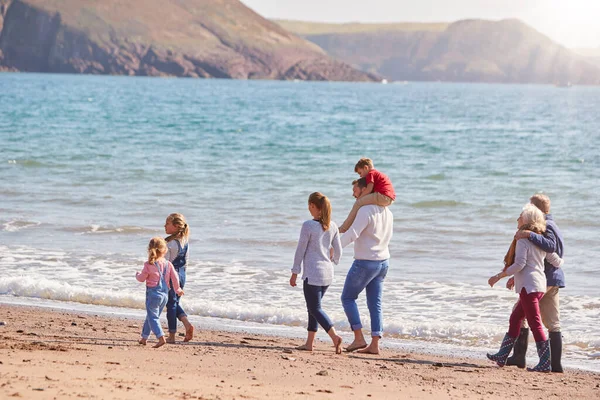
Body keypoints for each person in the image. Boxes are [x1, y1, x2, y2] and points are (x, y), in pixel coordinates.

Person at [486, 204, 563, 372]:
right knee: (515, 319)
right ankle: (502, 356)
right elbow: (555, 259)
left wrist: (499, 275)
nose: (517, 218)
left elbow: (520, 264)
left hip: (529, 287)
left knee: (535, 324)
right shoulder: (538, 238)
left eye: (520, 216)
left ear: (526, 220)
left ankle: (544, 363)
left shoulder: (523, 239)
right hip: (539, 285)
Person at [506, 194, 566, 372]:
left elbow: (550, 247)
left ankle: (519, 357)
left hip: (541, 279)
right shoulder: (551, 224)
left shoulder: (544, 226)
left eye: (529, 207)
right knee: (552, 322)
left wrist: (528, 233)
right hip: (552, 278)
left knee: (520, 315)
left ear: (536, 210)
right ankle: (555, 365)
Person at [340, 177, 393, 354]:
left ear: (365, 190)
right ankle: (375, 345)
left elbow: (352, 234)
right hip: (383, 262)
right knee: (375, 303)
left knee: (347, 298)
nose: (353, 194)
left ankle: (358, 338)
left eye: (355, 190)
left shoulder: (365, 210)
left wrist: (333, 249)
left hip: (365, 263)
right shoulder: (387, 212)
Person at [290, 192, 343, 354]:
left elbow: (301, 250)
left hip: (312, 274)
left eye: (310, 206)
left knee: (315, 308)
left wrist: (295, 271)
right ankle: (309, 343)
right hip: (327, 274)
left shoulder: (308, 226)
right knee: (313, 307)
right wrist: (333, 260)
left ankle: (334, 337)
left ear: (314, 206)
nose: (309, 209)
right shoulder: (332, 225)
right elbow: (338, 250)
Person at [136, 237, 183, 348]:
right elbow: (175, 278)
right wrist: (178, 290)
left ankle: (160, 337)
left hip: (153, 295)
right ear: (164, 250)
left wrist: (137, 275)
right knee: (152, 316)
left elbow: (141, 278)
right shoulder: (168, 264)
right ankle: (144, 337)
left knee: (153, 317)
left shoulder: (149, 265)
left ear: (149, 250)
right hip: (164, 296)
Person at [339, 158, 395, 233]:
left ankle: (344, 228)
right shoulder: (378, 174)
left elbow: (369, 189)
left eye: (360, 173)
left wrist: (359, 198)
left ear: (366, 168)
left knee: (358, 203)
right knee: (363, 202)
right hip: (389, 198)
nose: (360, 176)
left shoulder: (371, 173)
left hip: (382, 196)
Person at [164, 213, 194, 343]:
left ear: (176, 226)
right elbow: (186, 261)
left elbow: (166, 263)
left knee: (170, 304)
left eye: (167, 224)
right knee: (175, 303)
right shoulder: (184, 241)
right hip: (182, 275)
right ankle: (187, 324)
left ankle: (171, 335)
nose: (164, 226)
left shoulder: (170, 244)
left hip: (172, 276)